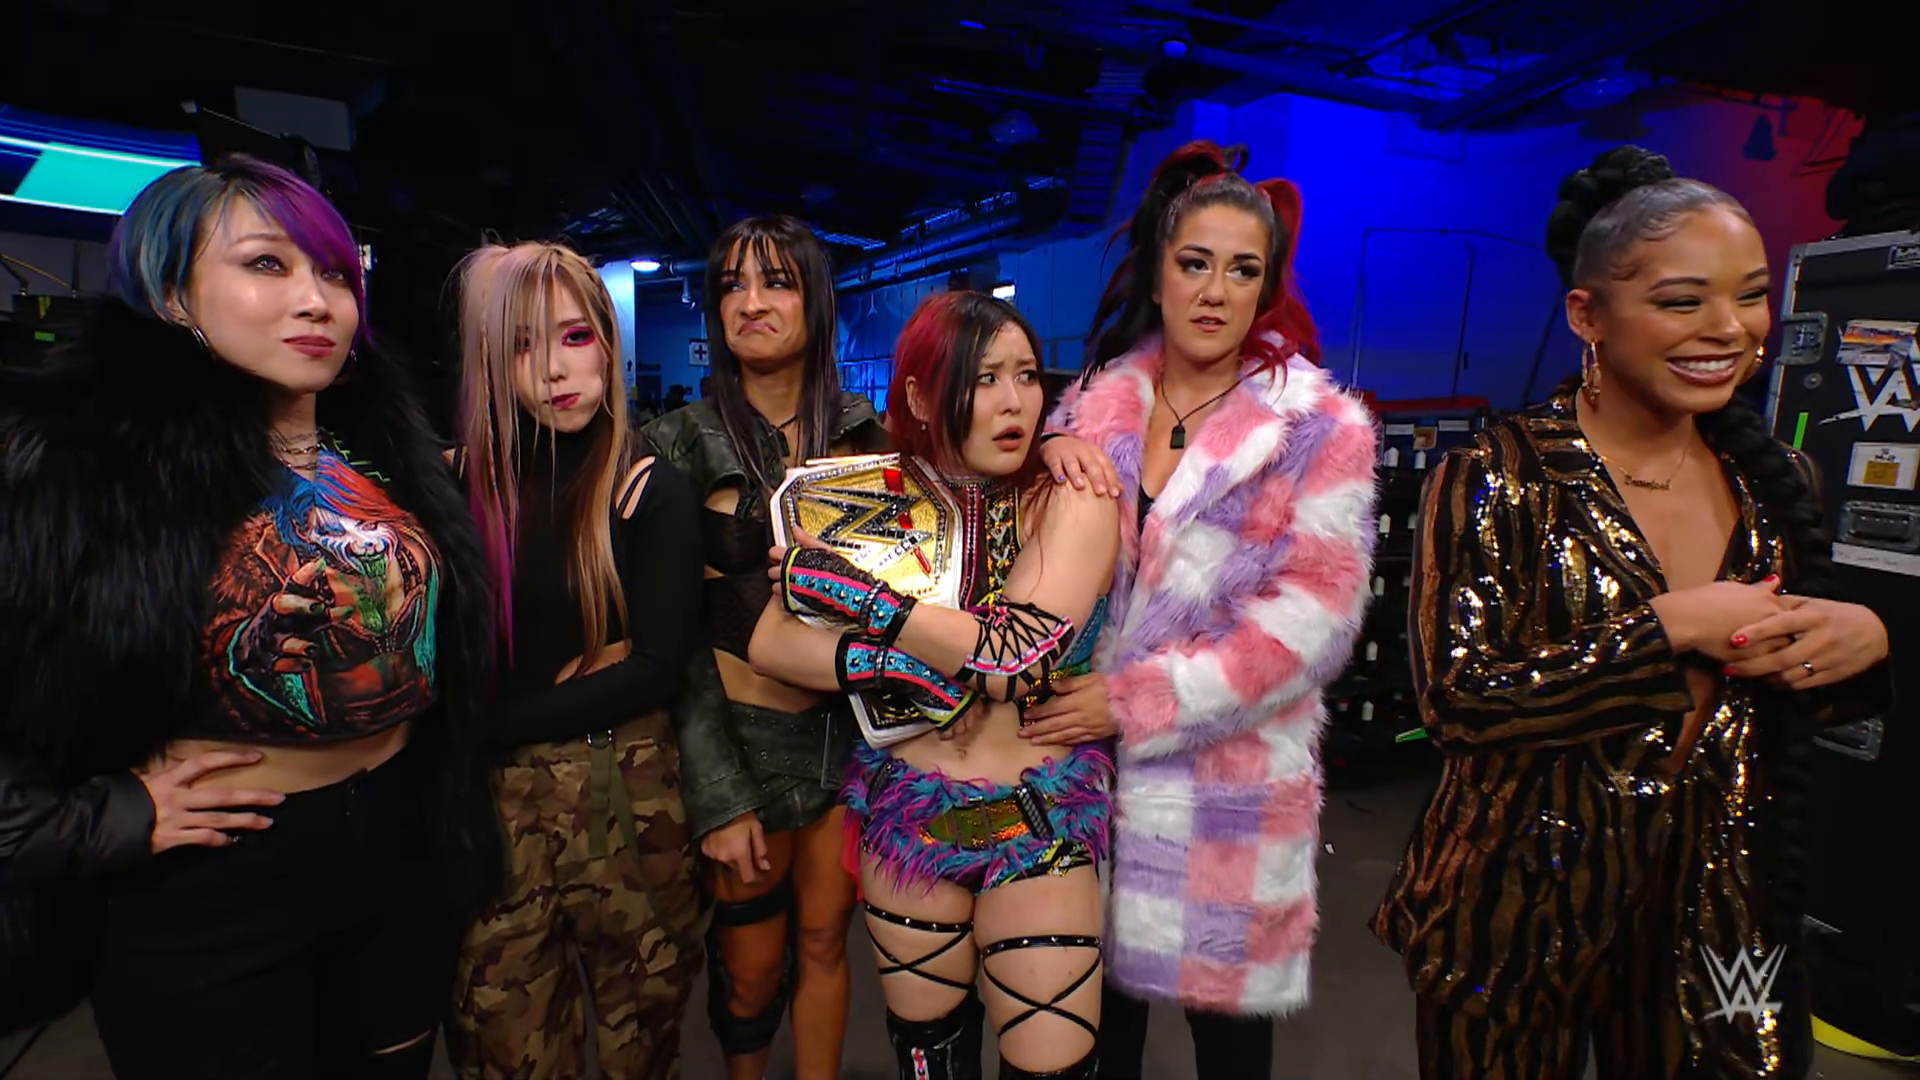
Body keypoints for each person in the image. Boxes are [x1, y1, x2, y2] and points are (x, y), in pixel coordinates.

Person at [1370, 145, 1893, 1080]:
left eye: (1751, 295)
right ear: (1587, 315)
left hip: (1724, 909)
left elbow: (1792, 712)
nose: (1730, 328)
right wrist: (1670, 629)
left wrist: (1864, 643)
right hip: (1517, 910)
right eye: (1684, 302)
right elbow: (1460, 703)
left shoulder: (1779, 481)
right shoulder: (1498, 475)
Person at [0, 155, 499, 1078]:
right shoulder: (75, 466)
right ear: (171, 292)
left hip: (400, 853)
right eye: (267, 264)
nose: (318, 301)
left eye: (336, 274)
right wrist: (103, 818)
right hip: (212, 883)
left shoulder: (386, 450)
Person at [1035, 141, 1381, 1079]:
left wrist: (1135, 700)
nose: (1216, 292)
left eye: (1242, 270)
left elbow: (1311, 624)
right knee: (1092, 1038)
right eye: (1195, 263)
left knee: (1229, 1052)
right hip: (1084, 782)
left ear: (1265, 287)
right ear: (1158, 272)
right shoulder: (1092, 409)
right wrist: (1045, 458)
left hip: (1226, 791)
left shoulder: (1316, 428)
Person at [749, 290, 1120, 1079]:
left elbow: (1016, 657)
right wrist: (899, 666)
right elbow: (771, 644)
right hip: (908, 825)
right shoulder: (865, 494)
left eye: (1027, 375)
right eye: (985, 378)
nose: (1015, 400)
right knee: (928, 1060)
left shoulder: (1072, 495)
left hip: (1037, 828)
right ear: (921, 396)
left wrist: (864, 601)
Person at [442, 242, 708, 1078]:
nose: (554, 369)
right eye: (522, 345)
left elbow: (656, 667)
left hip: (622, 797)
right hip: (492, 815)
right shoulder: (458, 485)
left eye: (574, 337)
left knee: (641, 1040)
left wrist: (484, 724)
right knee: (505, 1046)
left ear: (606, 341)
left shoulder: (644, 487)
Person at [638, 214, 888, 1080]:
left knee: (824, 943)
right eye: (732, 285)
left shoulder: (869, 437)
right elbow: (666, 639)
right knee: (747, 974)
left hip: (851, 743)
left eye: (777, 282)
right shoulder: (673, 441)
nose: (751, 302)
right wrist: (716, 793)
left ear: (816, 300)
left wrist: (1066, 444)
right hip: (740, 742)